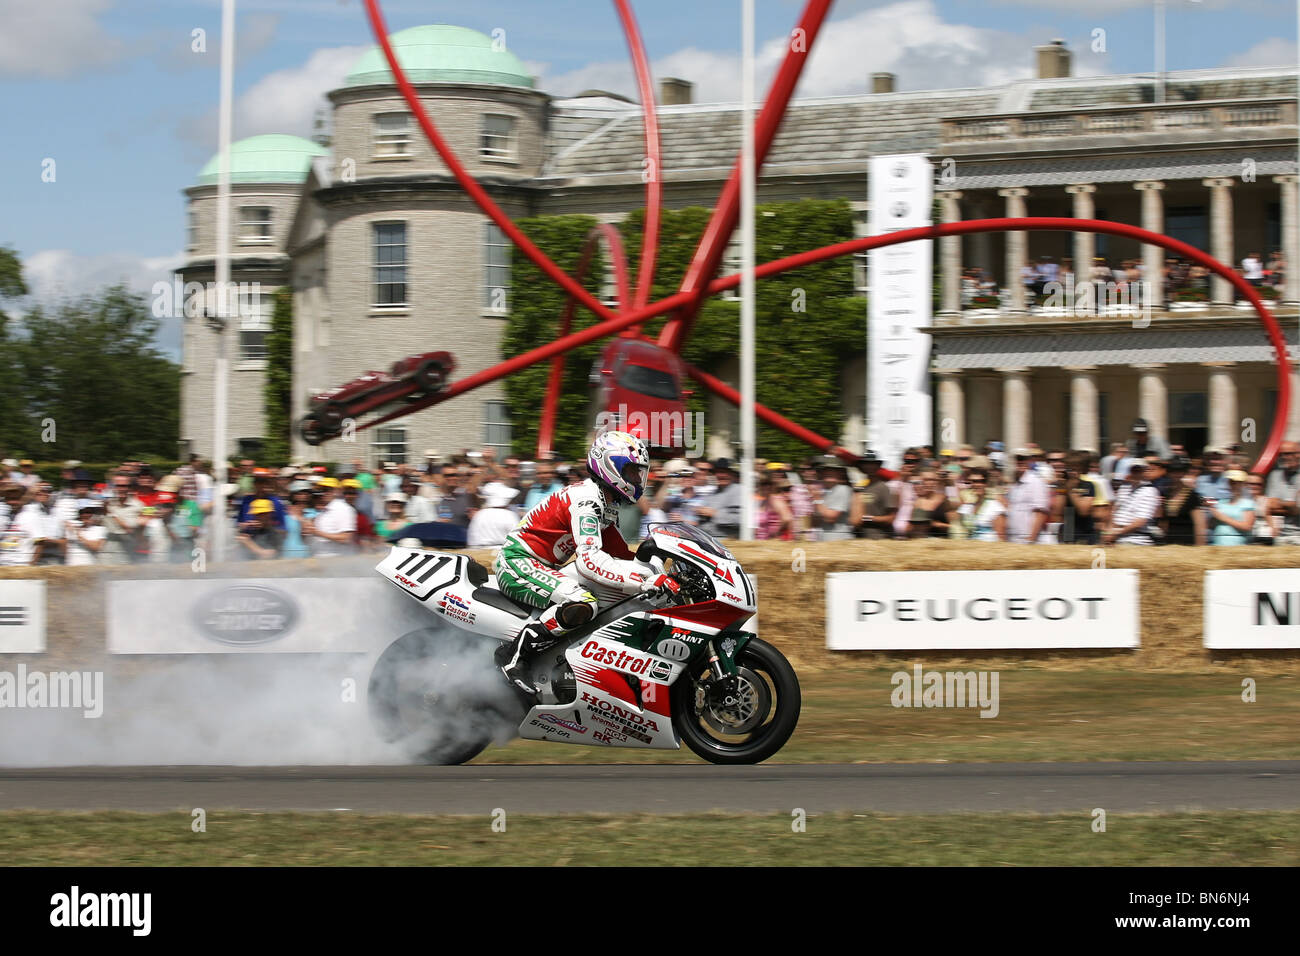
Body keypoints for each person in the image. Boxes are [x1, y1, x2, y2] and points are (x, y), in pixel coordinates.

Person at [493, 431, 672, 697]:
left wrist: (662, 570)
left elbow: (620, 555)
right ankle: (513, 658)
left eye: (639, 473)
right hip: (518, 562)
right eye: (632, 472)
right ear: (611, 466)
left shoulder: (606, 505)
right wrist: (643, 582)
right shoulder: (586, 501)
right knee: (584, 602)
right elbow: (589, 561)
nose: (638, 479)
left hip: (544, 566)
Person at [1207, 470, 1256, 546]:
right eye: (1231, 482)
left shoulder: (1247, 503)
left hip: (1236, 547)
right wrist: (1212, 513)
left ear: (1242, 485)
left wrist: (1223, 518)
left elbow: (1247, 526)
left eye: (1236, 483)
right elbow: (1210, 526)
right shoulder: (1220, 502)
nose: (1233, 486)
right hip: (1217, 545)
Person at [467, 481, 521, 547]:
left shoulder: (479, 515)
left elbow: (472, 539)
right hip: (504, 553)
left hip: (481, 553)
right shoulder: (510, 516)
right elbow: (518, 539)